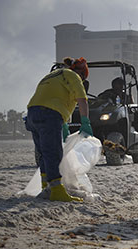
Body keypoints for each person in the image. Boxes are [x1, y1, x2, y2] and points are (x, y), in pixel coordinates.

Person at [26, 56, 92, 202]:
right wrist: (85, 121)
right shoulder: (74, 76)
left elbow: (55, 97)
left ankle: (45, 187)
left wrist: (64, 125)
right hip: (49, 114)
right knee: (53, 153)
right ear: (82, 75)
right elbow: (82, 100)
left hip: (32, 113)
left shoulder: (53, 75)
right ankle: (56, 190)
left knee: (44, 153)